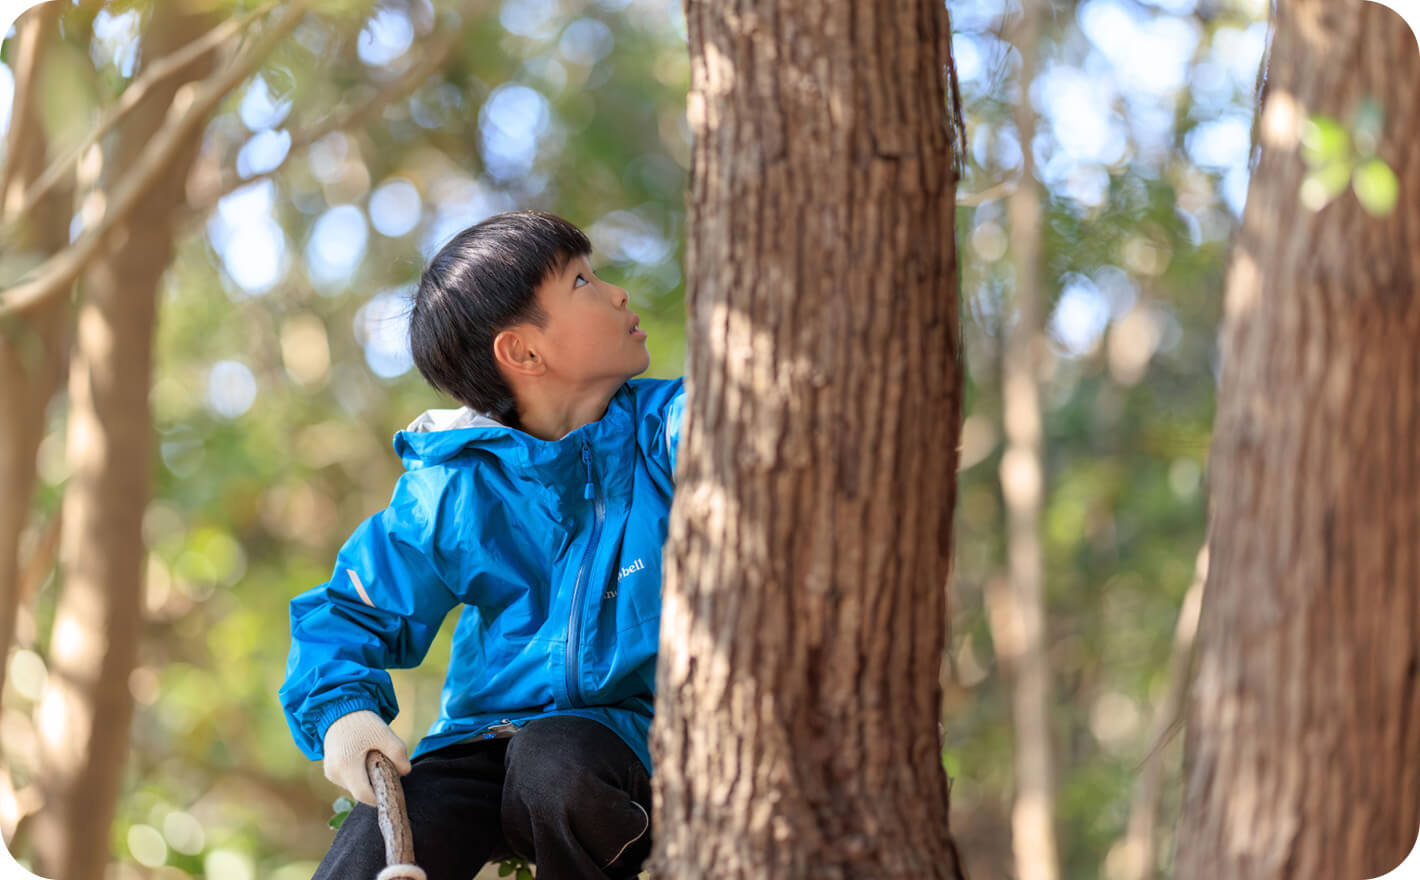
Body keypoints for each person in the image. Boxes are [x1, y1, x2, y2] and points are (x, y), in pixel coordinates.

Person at [278, 210, 685, 880]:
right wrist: (342, 715)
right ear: (524, 352)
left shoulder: (661, 432)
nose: (619, 292)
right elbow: (349, 612)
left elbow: (724, 426)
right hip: (483, 744)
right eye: (583, 281)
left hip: (626, 747)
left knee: (554, 764)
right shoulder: (456, 486)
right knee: (378, 835)